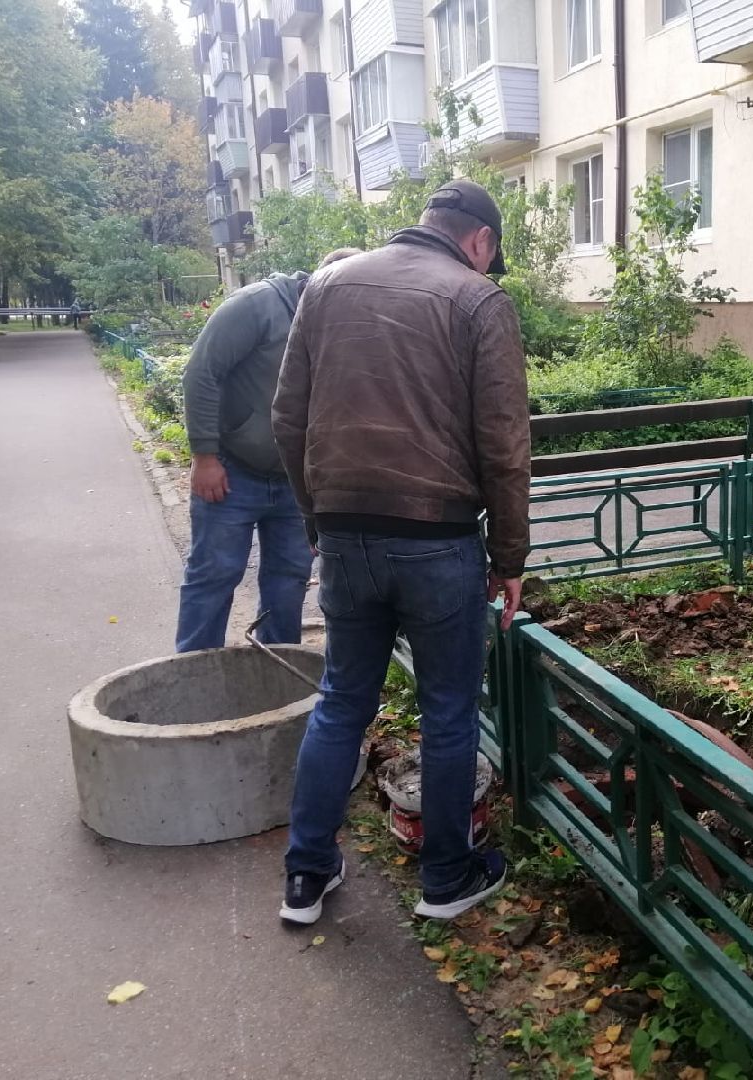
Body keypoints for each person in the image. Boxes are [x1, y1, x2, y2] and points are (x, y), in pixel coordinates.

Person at [273, 179, 530, 925]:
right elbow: (504, 446)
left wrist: (317, 519)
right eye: (490, 256)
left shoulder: (325, 286)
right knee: (448, 714)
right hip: (439, 540)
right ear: (479, 241)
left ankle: (305, 875)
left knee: (341, 704)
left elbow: (287, 417)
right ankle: (445, 880)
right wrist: (509, 558)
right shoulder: (478, 301)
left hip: (346, 535)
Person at [175, 249, 361, 653]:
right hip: (232, 470)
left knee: (290, 577)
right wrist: (204, 456)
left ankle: (280, 670)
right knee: (215, 575)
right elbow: (201, 373)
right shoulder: (256, 306)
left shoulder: (342, 323)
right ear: (321, 283)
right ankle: (192, 673)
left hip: (296, 481)